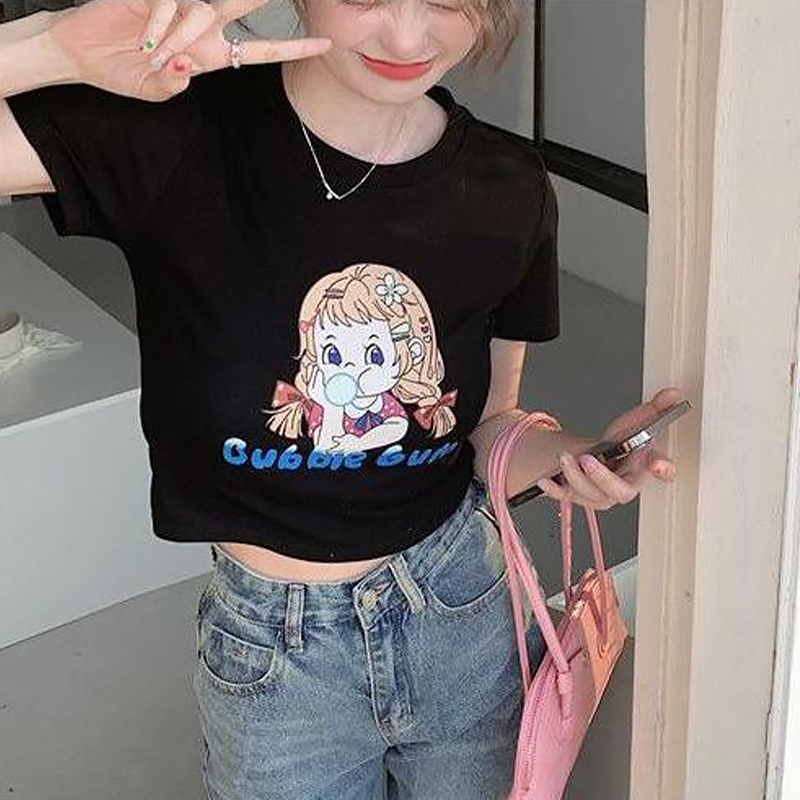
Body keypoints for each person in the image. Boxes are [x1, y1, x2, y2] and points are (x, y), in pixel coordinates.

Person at [0, 1, 681, 797]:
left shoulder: (509, 185)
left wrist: (578, 457)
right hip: (275, 651)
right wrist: (55, 47)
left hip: (462, 608)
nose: (407, 37)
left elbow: (488, 427)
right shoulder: (179, 134)